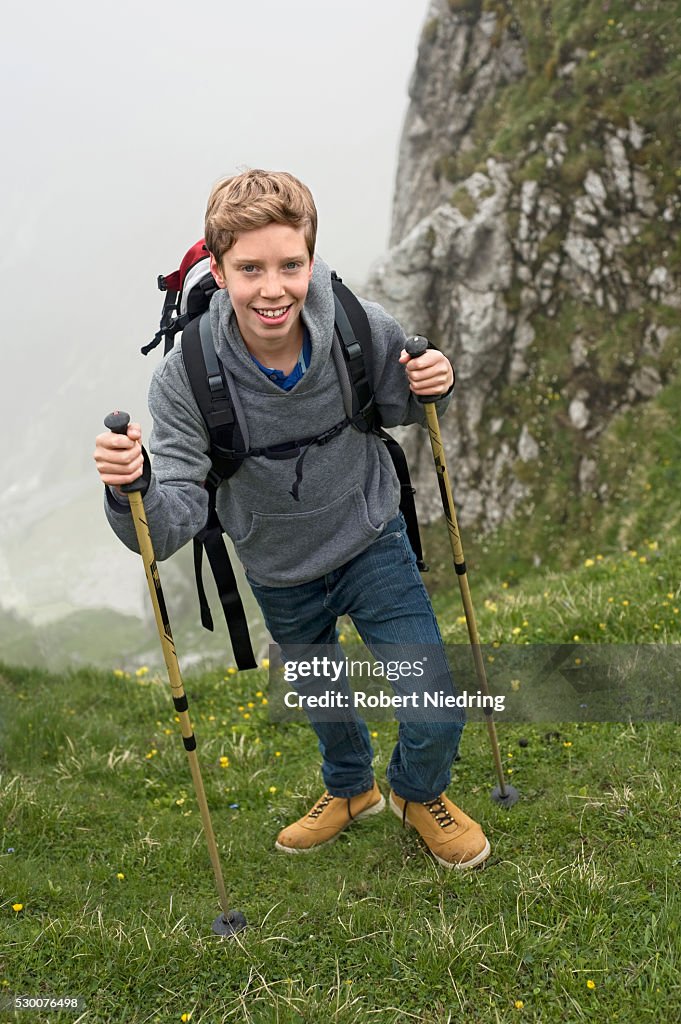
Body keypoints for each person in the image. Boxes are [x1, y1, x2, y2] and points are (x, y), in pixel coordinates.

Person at [93, 168, 490, 870]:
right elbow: (169, 521)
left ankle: (414, 791)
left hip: (373, 541)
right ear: (218, 270)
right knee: (325, 700)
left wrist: (439, 383)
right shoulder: (185, 377)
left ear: (311, 257)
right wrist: (135, 485)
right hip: (276, 565)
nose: (272, 288)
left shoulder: (358, 326)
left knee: (433, 708)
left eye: (290, 265)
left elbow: (406, 404)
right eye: (249, 269)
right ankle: (350, 789)